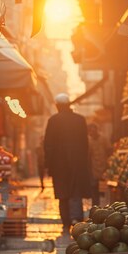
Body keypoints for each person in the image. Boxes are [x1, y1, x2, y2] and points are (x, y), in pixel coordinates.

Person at [44, 93, 91, 234]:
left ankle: (66, 222)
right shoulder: (80, 120)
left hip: (59, 165)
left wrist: (48, 164)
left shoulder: (53, 120)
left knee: (62, 194)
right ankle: (77, 220)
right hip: (78, 163)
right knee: (76, 192)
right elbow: (85, 144)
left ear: (58, 105)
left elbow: (48, 145)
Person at [88, 122, 110, 205]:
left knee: (105, 190)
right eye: (90, 131)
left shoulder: (104, 139)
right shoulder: (89, 141)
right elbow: (88, 155)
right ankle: (96, 207)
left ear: (97, 130)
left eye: (93, 130)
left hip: (104, 168)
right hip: (94, 170)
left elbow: (109, 151)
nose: (92, 132)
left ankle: (105, 206)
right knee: (94, 190)